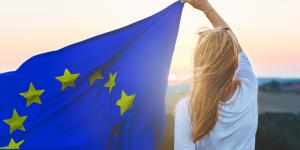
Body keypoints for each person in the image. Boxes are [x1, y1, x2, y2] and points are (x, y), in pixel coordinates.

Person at [174, 0, 258, 149]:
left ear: (198, 63)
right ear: (234, 63)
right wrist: (207, 8)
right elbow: (237, 47)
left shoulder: (187, 108)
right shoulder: (248, 87)